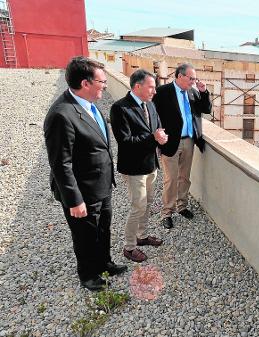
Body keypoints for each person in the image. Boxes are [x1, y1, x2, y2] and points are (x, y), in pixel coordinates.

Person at [43, 56, 127, 291]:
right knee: (85, 234)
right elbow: (61, 164)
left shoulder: (90, 104)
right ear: (85, 83)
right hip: (82, 191)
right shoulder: (62, 115)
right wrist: (75, 200)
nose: (105, 86)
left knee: (103, 228)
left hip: (101, 185)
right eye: (102, 81)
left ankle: (104, 263)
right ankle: (88, 275)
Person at [110, 69, 167, 263]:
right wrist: (153, 138)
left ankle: (142, 236)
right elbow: (125, 141)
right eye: (151, 87)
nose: (155, 91)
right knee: (138, 206)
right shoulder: (120, 108)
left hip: (151, 164)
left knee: (148, 202)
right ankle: (129, 247)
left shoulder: (150, 105)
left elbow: (157, 127)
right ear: (137, 86)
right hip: (134, 168)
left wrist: (161, 137)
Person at [152, 63, 211, 229]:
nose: (193, 81)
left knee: (184, 177)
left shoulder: (193, 92)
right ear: (179, 76)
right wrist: (158, 134)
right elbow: (152, 113)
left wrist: (204, 92)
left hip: (189, 140)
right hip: (170, 141)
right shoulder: (163, 92)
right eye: (190, 78)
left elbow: (206, 109)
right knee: (170, 179)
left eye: (195, 78)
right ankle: (167, 212)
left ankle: (182, 206)